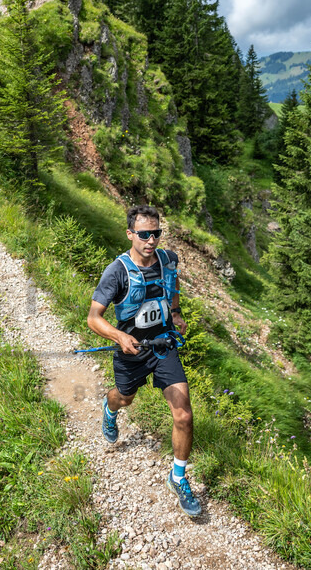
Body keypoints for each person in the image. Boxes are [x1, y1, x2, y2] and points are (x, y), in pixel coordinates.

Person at [86, 205, 201, 518]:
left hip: (163, 345)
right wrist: (119, 337)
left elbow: (173, 287)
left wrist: (175, 314)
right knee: (125, 397)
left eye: (156, 233)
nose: (151, 240)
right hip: (131, 351)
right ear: (130, 234)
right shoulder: (117, 272)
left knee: (184, 414)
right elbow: (93, 318)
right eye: (144, 234)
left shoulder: (168, 260)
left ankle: (178, 477)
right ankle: (110, 411)